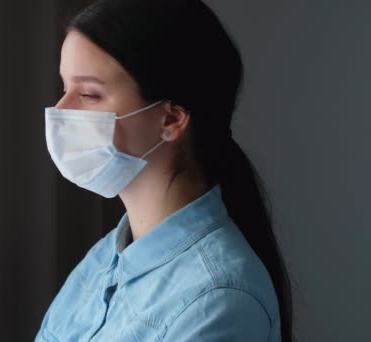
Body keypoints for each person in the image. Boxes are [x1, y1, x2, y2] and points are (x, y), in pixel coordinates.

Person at [36, 0, 292, 341]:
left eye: (88, 94)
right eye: (64, 89)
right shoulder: (103, 261)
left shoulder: (219, 300)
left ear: (171, 118)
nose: (60, 110)